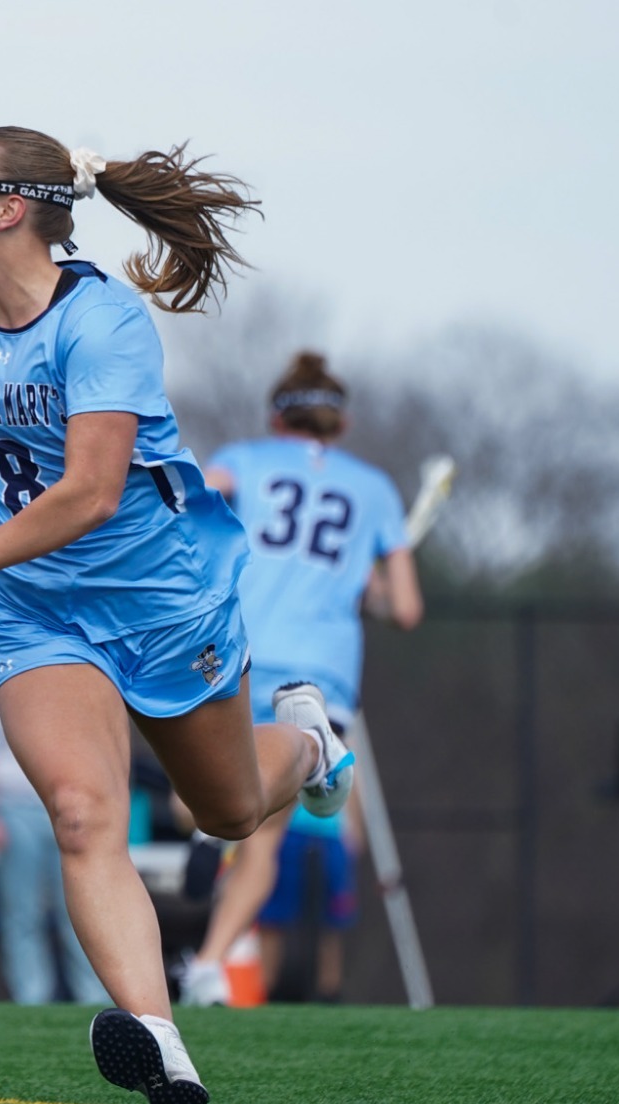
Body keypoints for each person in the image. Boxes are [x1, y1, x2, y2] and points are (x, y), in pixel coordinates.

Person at [0, 126, 350, 1104]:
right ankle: (161, 1043)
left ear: (9, 205)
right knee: (83, 817)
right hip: (34, 612)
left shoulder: (105, 325)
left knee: (219, 812)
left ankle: (307, 741)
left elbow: (89, 495)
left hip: (159, 603)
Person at [179, 352, 423, 1007]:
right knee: (265, 833)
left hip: (240, 657)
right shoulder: (373, 489)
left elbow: (194, 490)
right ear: (339, 423)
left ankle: (207, 916)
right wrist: (362, 587)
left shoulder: (247, 459)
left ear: (275, 415)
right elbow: (405, 608)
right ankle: (208, 959)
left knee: (206, 792)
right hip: (323, 674)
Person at [0, 673, 111, 1006]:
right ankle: (31, 999)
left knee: (84, 910)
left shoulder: (75, 680)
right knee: (21, 912)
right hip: (14, 811)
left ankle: (94, 999)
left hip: (72, 809)